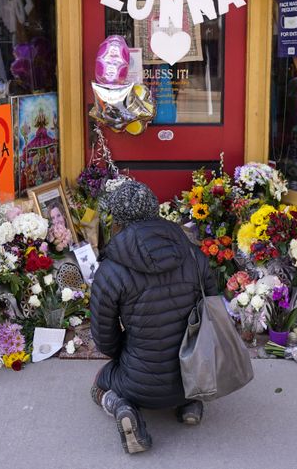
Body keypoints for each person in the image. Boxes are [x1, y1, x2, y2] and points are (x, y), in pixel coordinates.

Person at [89, 178, 218, 454]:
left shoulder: (111, 269)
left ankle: (122, 408)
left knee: (101, 380)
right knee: (181, 376)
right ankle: (190, 405)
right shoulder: (193, 254)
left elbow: (104, 338)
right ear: (155, 210)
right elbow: (212, 309)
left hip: (139, 384)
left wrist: (126, 353)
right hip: (196, 374)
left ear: (118, 219)